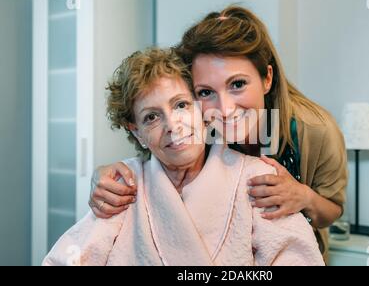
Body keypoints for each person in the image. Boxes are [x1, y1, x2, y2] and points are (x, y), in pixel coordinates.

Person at [89, 6, 348, 259]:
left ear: (267, 78)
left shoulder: (314, 130)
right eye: (205, 92)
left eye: (237, 84)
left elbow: (332, 211)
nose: (224, 110)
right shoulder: (199, 122)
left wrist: (304, 197)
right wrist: (105, 176)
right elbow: (158, 149)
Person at [43, 48, 324, 266]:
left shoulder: (255, 178)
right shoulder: (124, 185)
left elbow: (298, 258)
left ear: (201, 110)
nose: (172, 125)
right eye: (151, 116)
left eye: (180, 105)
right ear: (137, 131)